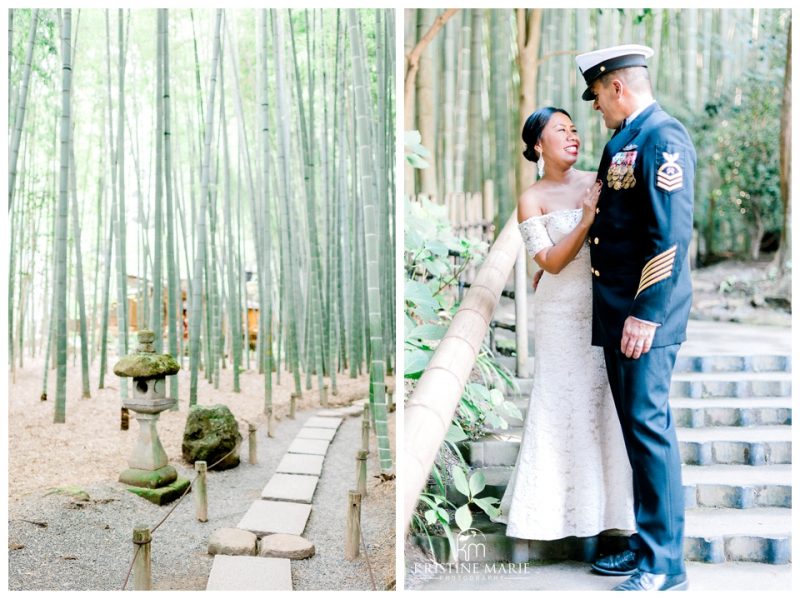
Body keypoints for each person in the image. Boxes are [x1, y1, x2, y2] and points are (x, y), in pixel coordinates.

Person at [575, 44, 696, 591]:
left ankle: (666, 566)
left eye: (598, 95)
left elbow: (668, 235)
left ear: (617, 87)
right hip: (616, 309)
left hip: (646, 315)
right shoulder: (622, 140)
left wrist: (646, 314)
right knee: (636, 431)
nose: (596, 107)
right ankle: (648, 547)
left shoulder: (663, 138)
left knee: (649, 430)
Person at [491, 107, 636, 543]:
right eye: (561, 130)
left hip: (600, 306)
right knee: (559, 402)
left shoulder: (598, 178)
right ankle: (551, 515)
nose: (573, 136)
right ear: (538, 145)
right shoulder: (531, 198)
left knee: (601, 403)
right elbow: (551, 263)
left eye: (574, 129)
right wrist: (586, 219)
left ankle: (609, 512)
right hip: (558, 313)